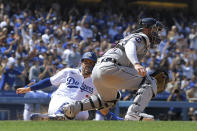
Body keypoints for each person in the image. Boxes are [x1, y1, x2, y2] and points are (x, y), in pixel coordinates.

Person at [61, 18, 169, 121]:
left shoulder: (130, 38)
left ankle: (73, 108)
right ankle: (134, 114)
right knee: (149, 81)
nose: (157, 33)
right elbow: (130, 46)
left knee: (109, 100)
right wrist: (136, 64)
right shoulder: (141, 37)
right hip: (111, 67)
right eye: (155, 29)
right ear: (146, 29)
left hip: (98, 71)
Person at [16, 52, 98, 120]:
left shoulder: (95, 82)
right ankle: (57, 115)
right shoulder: (69, 72)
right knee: (70, 104)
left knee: (84, 115)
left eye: (91, 63)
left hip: (77, 109)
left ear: (94, 66)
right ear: (81, 63)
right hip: (59, 101)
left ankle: (49, 118)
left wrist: (109, 114)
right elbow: (49, 81)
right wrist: (29, 88)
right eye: (86, 62)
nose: (88, 65)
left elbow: (100, 102)